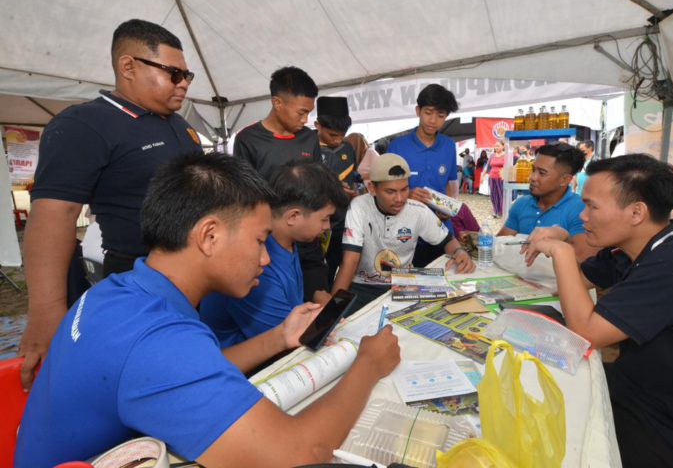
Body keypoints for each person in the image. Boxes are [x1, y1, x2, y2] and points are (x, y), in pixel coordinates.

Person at [15, 152, 400, 468]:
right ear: (210, 236)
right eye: (260, 240)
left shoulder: (124, 291)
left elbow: (195, 368)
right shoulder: (155, 339)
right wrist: (369, 364)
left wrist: (279, 338)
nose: (266, 258)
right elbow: (300, 454)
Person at [523, 154, 673, 468]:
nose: (583, 217)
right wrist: (565, 239)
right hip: (649, 392)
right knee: (542, 388)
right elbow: (579, 281)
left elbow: (586, 332)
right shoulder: (634, 247)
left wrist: (562, 251)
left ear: (637, 212)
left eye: (592, 206)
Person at [18, 19, 202, 390]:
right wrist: (46, 311)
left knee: (188, 373)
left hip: (196, 281)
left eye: (188, 75)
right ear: (128, 66)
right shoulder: (85, 125)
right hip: (140, 282)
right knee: (148, 380)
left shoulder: (178, 126)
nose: (183, 83)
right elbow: (53, 219)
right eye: (174, 73)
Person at [200, 160, 348, 348]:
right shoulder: (256, 267)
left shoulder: (288, 243)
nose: (327, 227)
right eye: (324, 219)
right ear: (293, 216)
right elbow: (292, 341)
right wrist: (326, 314)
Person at [332, 154, 475, 313]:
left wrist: (459, 251)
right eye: (390, 191)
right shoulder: (359, 207)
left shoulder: (418, 210)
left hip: (405, 283)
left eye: (404, 189)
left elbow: (448, 240)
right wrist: (331, 310)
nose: (399, 198)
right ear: (372, 188)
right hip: (363, 286)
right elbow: (350, 261)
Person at [233, 66, 327, 301]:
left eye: (309, 113)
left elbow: (317, 186)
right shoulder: (248, 140)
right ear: (278, 103)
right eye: (301, 113)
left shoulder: (309, 138)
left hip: (308, 241)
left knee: (316, 303)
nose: (305, 120)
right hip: (271, 244)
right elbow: (244, 197)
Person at [388, 83, 460, 267]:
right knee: (407, 283)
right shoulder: (397, 146)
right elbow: (383, 191)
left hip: (439, 230)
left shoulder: (449, 146)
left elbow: (451, 185)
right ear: (418, 110)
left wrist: (448, 210)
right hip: (405, 231)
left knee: (442, 280)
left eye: (441, 115)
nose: (433, 120)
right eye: (428, 113)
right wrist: (407, 195)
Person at [497, 142, 594, 261]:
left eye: (542, 173)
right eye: (533, 170)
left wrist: (564, 237)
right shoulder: (521, 204)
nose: (532, 177)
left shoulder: (581, 210)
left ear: (565, 180)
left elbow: (584, 259)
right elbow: (499, 246)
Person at [314, 96, 358, 283]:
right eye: (333, 135)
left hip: (343, 222)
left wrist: (355, 191)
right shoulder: (308, 147)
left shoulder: (348, 148)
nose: (338, 140)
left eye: (342, 135)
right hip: (317, 225)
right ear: (318, 126)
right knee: (317, 270)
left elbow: (353, 177)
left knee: (337, 264)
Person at [481, 141, 506, 217]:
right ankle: (495, 210)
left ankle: (501, 211)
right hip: (492, 177)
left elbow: (508, 167)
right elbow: (487, 166)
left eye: (498, 146)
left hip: (501, 178)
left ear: (503, 146)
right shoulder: (492, 155)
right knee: (493, 195)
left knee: (501, 195)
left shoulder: (506, 155)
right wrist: (482, 176)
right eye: (495, 146)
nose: (496, 147)